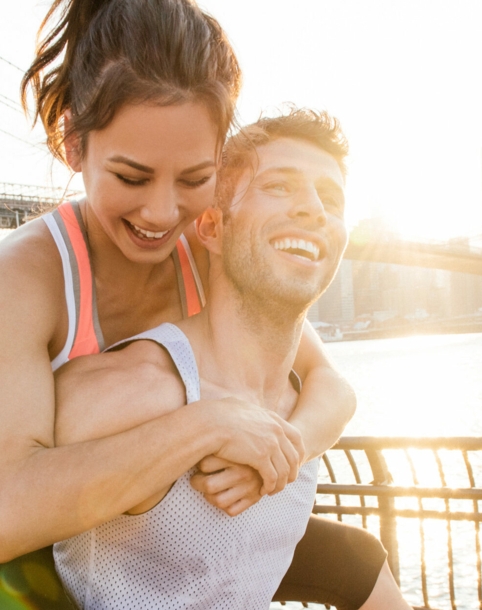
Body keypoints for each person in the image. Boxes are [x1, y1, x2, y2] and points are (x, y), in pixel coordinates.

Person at [0, 1, 390, 609]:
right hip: (39, 568)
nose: (162, 215)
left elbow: (329, 386)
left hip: (159, 541)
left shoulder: (206, 244)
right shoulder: (26, 277)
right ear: (73, 143)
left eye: (193, 179)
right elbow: (8, 511)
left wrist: (271, 455)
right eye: (131, 177)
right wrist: (209, 422)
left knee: (358, 559)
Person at [50, 107, 410, 610]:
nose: (313, 209)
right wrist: (203, 427)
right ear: (212, 229)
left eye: (330, 198)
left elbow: (338, 390)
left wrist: (288, 451)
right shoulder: (146, 387)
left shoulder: (301, 403)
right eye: (279, 187)